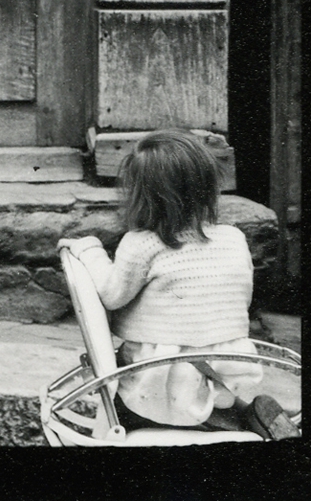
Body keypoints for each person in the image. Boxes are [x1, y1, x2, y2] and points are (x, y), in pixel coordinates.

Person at [59, 130, 264, 428]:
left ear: (142, 196)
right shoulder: (234, 238)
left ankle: (208, 420)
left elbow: (111, 294)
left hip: (160, 375)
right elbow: (241, 298)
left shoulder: (143, 243)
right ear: (208, 187)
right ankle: (238, 415)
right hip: (231, 367)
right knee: (205, 388)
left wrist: (89, 250)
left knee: (139, 393)